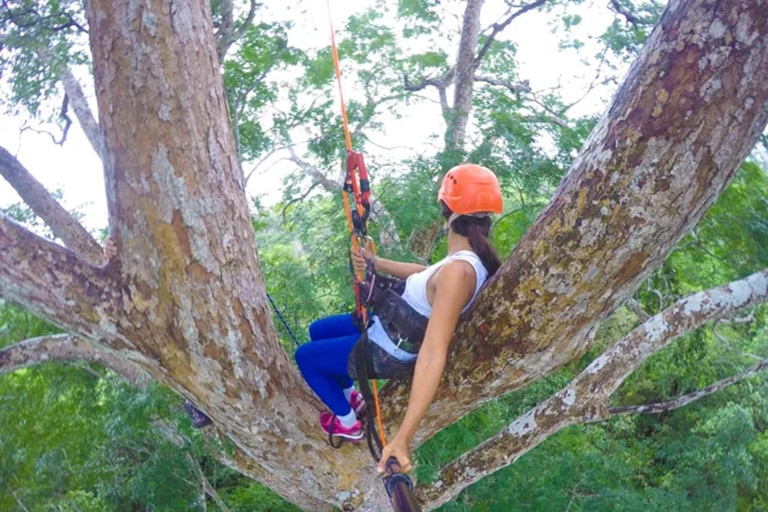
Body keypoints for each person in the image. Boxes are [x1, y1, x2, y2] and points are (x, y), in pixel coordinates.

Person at [294, 163, 503, 474]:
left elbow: (434, 352)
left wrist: (403, 438)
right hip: (388, 325)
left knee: (306, 358)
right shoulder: (464, 260)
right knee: (318, 330)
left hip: (389, 348)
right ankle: (353, 397)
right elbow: (426, 275)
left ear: (448, 213)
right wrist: (374, 262)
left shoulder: (460, 271)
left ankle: (348, 422)